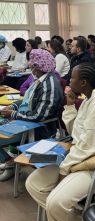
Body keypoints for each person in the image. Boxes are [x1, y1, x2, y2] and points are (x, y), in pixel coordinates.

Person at [25, 62, 95, 221]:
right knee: (34, 183)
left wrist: (64, 169)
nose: (68, 81)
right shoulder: (87, 100)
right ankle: (76, 220)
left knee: (56, 202)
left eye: (72, 78)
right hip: (81, 156)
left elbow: (90, 146)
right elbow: (76, 135)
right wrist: (70, 106)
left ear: (84, 82)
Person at [0, 49, 63, 180]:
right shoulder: (41, 80)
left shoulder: (49, 86)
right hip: (24, 120)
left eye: (32, 64)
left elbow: (39, 116)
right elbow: (27, 100)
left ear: (37, 66)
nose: (30, 66)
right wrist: (13, 106)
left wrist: (13, 114)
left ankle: (10, 163)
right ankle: (10, 162)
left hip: (36, 128)